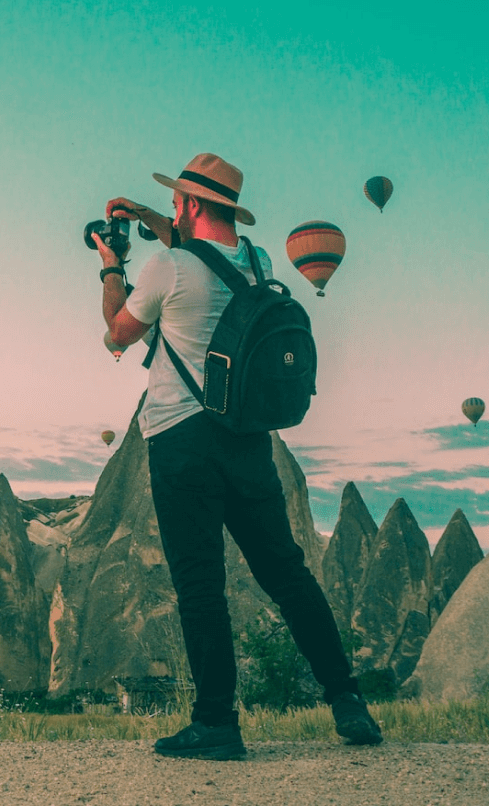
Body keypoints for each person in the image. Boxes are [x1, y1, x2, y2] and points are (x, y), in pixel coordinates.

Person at [91, 152, 382, 760]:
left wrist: (111, 265)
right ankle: (348, 700)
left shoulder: (166, 267)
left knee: (200, 585)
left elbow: (118, 332)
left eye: (176, 201)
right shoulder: (258, 263)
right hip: (249, 440)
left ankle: (217, 723)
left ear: (193, 204)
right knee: (287, 573)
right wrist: (146, 214)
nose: (172, 210)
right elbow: (201, 250)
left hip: (181, 440)